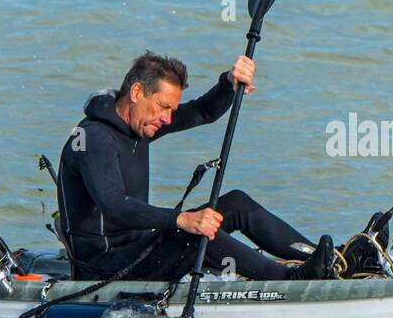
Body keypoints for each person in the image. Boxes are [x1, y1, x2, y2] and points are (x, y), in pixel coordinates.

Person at [57, 51, 336, 282]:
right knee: (196, 232)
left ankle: (328, 260)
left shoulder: (139, 124)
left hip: (139, 250)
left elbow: (202, 111)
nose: (167, 119)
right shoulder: (93, 139)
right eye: (163, 107)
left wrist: (229, 83)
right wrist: (181, 220)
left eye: (171, 111)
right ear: (137, 91)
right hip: (103, 267)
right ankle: (291, 281)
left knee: (235, 203)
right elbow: (114, 206)